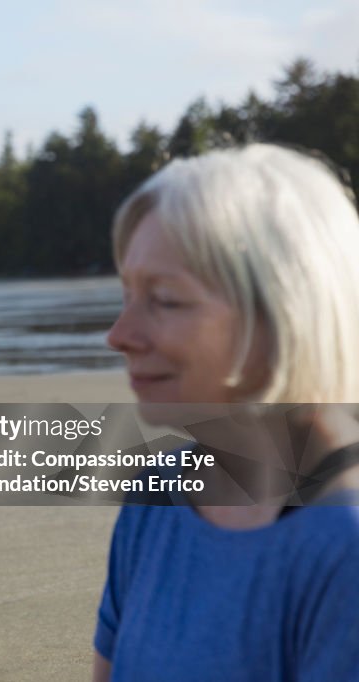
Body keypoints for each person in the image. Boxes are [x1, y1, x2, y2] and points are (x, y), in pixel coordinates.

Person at [94, 144, 359, 681]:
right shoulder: (156, 493)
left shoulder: (343, 545)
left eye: (165, 300)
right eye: (126, 296)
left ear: (283, 314)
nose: (120, 336)